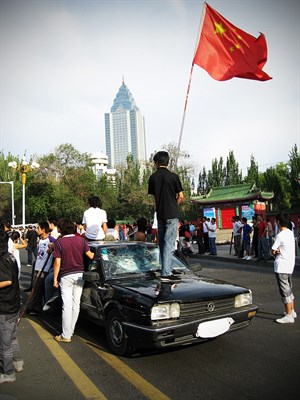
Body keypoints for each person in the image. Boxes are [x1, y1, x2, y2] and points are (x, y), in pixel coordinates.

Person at [53, 218, 95, 342]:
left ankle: (66, 335)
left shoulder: (59, 243)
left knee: (66, 305)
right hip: (80, 274)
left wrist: (55, 279)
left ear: (61, 229)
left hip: (66, 275)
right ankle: (70, 331)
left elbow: (57, 263)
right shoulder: (81, 240)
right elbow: (91, 256)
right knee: (75, 303)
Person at [148, 151, 184, 282]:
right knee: (169, 243)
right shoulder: (174, 176)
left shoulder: (153, 177)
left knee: (162, 242)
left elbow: (155, 197)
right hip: (172, 213)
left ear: (156, 162)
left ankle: (164, 268)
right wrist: (174, 205)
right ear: (167, 162)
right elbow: (181, 196)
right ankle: (166, 272)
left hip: (160, 213)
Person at [0, 230, 24, 384]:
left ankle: (8, 373)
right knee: (12, 337)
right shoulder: (10, 257)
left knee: (4, 343)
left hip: (5, 305)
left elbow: (6, 280)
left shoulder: (2, 259)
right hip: (13, 303)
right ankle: (18, 363)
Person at [271, 213, 297, 324]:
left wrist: (276, 252)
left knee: (285, 291)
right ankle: (292, 311)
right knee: (289, 289)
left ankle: (289, 315)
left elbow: (273, 250)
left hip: (281, 266)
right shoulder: (290, 233)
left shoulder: (280, 235)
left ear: (278, 222)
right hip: (290, 264)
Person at [26, 221, 54, 313]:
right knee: (37, 288)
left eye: (38, 228)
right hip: (37, 267)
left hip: (44, 268)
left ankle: (31, 307)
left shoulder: (51, 240)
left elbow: (59, 245)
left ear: (43, 229)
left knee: (37, 288)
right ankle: (36, 307)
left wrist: (53, 247)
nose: (37, 230)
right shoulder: (40, 240)